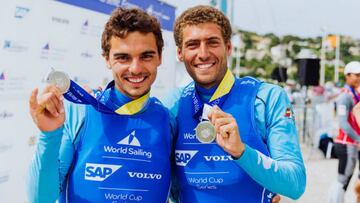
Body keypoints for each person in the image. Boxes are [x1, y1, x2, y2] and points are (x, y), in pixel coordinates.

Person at [27, 7, 174, 203]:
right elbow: (41, 198)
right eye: (123, 57)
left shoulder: (169, 120)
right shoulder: (81, 112)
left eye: (146, 56)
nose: (135, 68)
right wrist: (49, 135)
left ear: (160, 58)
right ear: (107, 59)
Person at [163, 5, 306, 202]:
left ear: (228, 47)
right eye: (193, 45)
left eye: (212, 42)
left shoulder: (267, 97)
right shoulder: (173, 103)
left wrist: (241, 152)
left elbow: (295, 184)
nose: (203, 54)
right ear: (180, 53)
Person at [329, 61, 360, 203]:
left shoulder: (353, 94)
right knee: (342, 179)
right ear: (347, 76)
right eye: (357, 75)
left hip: (349, 143)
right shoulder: (345, 96)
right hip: (346, 143)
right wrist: (359, 139)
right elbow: (343, 123)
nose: (359, 78)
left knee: (345, 178)